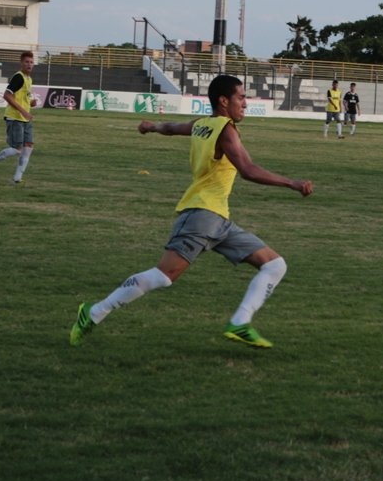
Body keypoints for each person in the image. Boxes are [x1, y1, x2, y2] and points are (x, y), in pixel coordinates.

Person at [70, 74, 313, 349]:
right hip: (202, 215)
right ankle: (94, 312)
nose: (246, 103)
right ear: (224, 101)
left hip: (218, 219)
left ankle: (240, 322)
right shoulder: (225, 129)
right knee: (163, 276)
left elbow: (173, 127)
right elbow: (248, 169)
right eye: (241, 97)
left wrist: (152, 127)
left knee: (274, 265)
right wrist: (292, 183)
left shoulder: (202, 124)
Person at [0, 51, 36, 184]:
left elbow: (21, 97)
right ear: (21, 63)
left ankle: (17, 178)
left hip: (24, 118)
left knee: (28, 146)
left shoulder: (28, 79)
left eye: (31, 62)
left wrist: (30, 103)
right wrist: (23, 111)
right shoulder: (19, 77)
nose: (29, 64)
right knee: (17, 149)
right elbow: (7, 95)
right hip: (15, 117)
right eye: (26, 62)